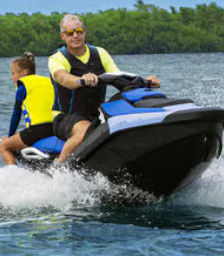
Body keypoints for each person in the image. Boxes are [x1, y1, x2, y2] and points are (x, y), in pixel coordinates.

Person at [47, 14, 159, 163]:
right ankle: (59, 169)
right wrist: (81, 80)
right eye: (70, 33)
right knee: (85, 132)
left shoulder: (100, 53)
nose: (75, 36)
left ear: (85, 32)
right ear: (63, 36)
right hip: (65, 117)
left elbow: (118, 76)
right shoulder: (57, 58)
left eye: (79, 31)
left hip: (96, 115)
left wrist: (145, 82)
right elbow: (63, 78)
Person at [0, 53, 57, 165]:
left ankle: (12, 174)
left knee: (4, 146)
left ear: (24, 72)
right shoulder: (49, 82)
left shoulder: (22, 87)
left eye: (13, 73)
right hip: (57, 128)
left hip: (38, 130)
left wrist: (10, 137)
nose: (11, 77)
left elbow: (16, 115)